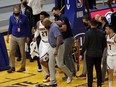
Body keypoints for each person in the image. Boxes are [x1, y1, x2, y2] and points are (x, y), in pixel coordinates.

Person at [42, 18, 73, 86]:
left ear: (48, 23)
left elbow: (59, 38)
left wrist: (56, 49)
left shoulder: (54, 27)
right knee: (51, 63)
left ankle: (70, 75)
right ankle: (53, 81)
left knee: (60, 64)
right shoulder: (50, 26)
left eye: (45, 25)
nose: (44, 27)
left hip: (58, 47)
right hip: (51, 47)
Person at [79, 19, 107, 87]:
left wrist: (81, 54)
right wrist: (101, 51)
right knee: (98, 70)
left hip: (90, 55)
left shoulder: (88, 33)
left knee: (90, 71)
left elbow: (85, 44)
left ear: (90, 24)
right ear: (97, 25)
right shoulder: (102, 33)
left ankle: (90, 85)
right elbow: (104, 45)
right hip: (99, 54)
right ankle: (99, 85)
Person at [52, 7, 76, 78]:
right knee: (68, 56)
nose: (54, 14)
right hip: (64, 38)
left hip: (68, 38)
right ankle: (72, 72)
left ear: (58, 10)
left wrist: (56, 29)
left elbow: (64, 28)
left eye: (54, 12)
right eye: (53, 13)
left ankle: (69, 73)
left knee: (65, 56)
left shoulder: (63, 17)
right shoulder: (57, 19)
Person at [6, 5, 30, 73]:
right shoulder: (11, 17)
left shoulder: (24, 17)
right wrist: (8, 36)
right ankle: (12, 66)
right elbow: (10, 26)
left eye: (17, 11)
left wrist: (28, 36)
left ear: (20, 11)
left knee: (23, 53)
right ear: (13, 11)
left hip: (22, 37)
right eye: (15, 11)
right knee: (11, 51)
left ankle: (23, 67)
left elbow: (28, 27)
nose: (16, 12)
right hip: (13, 36)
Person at [33, 11, 50, 82]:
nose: (41, 19)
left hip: (48, 43)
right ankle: (47, 73)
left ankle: (52, 71)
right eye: (40, 17)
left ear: (45, 17)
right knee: (41, 60)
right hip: (42, 43)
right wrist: (35, 37)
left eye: (42, 17)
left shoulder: (49, 22)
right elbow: (37, 31)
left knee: (43, 60)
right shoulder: (38, 23)